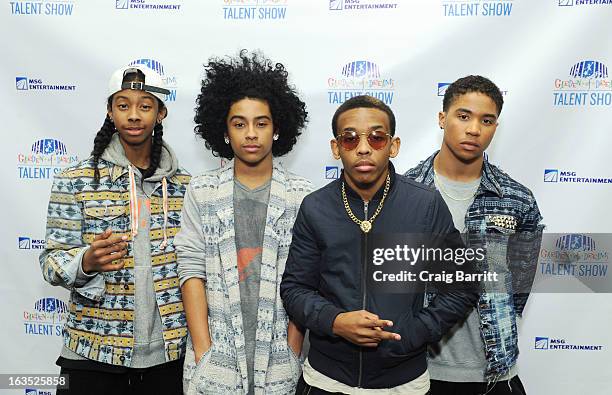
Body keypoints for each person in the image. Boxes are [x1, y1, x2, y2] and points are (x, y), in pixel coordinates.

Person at [280, 95, 479, 394]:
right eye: (349, 139)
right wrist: (335, 321)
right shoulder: (315, 207)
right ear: (336, 148)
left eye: (376, 138)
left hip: (403, 381)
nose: (363, 148)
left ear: (393, 145)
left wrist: (410, 335)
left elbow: (463, 286)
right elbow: (294, 289)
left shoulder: (424, 205)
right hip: (326, 378)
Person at [40, 64, 191, 394]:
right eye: (123, 105)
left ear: (161, 113)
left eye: (145, 106)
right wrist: (86, 262)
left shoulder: (185, 187)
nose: (133, 115)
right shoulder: (76, 180)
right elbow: (50, 264)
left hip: (169, 356)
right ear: (110, 111)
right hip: (92, 351)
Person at [176, 50, 313, 395]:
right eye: (239, 124)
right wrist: (204, 351)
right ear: (223, 131)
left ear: (278, 128)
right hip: (216, 364)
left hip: (281, 362)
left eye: (261, 123)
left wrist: (293, 350)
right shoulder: (202, 190)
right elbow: (191, 268)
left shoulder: (302, 194)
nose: (251, 133)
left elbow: (307, 277)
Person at [405, 75, 544, 395]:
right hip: (417, 371)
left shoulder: (516, 199)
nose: (474, 129)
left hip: (493, 374)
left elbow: (519, 288)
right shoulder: (404, 192)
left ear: (496, 126)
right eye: (463, 116)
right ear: (442, 118)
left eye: (487, 120)